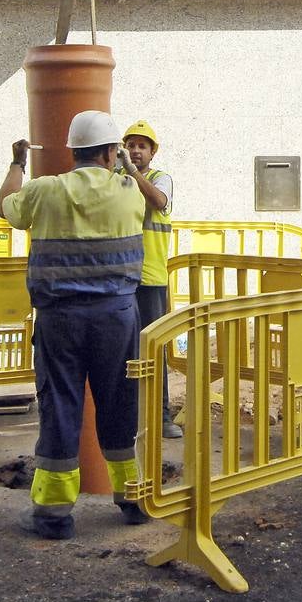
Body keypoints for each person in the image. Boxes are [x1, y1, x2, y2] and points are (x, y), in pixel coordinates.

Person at [0, 110, 149, 539]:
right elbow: (147, 195)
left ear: (73, 150)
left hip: (60, 318)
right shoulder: (129, 192)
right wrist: (126, 163)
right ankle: (133, 498)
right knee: (119, 404)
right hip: (116, 317)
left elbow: (6, 207)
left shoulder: (44, 191)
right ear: (109, 151)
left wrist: (17, 164)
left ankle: (53, 514)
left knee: (61, 405)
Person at [122, 120, 183, 440]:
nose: (135, 151)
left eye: (141, 146)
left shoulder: (161, 179)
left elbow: (159, 202)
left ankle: (160, 417)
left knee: (153, 349)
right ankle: (128, 416)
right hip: (121, 277)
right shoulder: (117, 179)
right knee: (122, 350)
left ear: (152, 152)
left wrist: (132, 173)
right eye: (130, 145)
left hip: (150, 279)